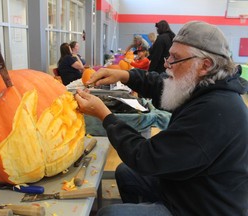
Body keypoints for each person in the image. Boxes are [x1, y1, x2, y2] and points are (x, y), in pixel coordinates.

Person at [74, 21, 248, 216]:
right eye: (169, 55)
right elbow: (161, 86)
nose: (166, 64)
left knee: (109, 214)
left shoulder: (216, 111)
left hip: (202, 207)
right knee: (126, 172)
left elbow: (146, 158)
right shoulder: (206, 85)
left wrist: (105, 115)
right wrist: (124, 75)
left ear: (204, 65)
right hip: (186, 186)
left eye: (175, 58)